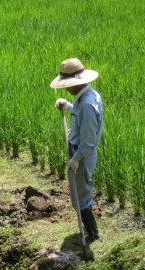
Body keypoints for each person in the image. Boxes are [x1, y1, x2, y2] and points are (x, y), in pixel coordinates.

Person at [51, 58, 103, 243]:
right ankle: (89, 232)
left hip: (82, 154)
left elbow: (88, 141)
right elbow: (80, 116)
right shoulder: (85, 97)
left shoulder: (88, 104)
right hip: (77, 151)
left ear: (78, 82)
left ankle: (92, 235)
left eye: (68, 85)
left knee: (82, 196)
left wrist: (76, 159)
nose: (66, 88)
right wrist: (68, 106)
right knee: (77, 192)